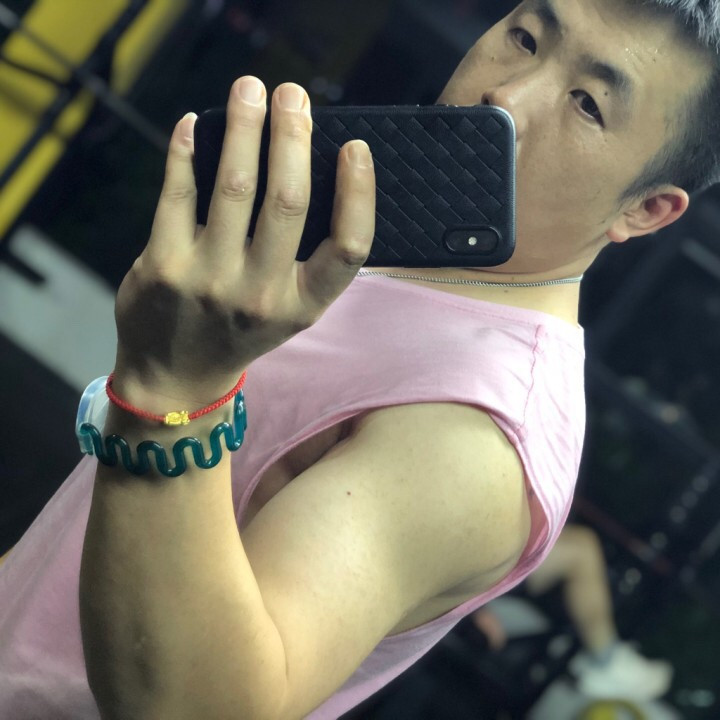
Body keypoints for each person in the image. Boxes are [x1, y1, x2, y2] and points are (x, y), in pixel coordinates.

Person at [0, 0, 717, 718]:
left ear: (646, 209)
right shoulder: (392, 245)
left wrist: (174, 388)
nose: (507, 95)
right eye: (525, 38)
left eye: (588, 105)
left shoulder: (476, 433)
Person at [471, 524, 673, 701]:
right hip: (482, 555)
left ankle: (604, 656)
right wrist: (476, 610)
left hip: (493, 542)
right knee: (581, 553)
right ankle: (606, 661)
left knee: (583, 541)